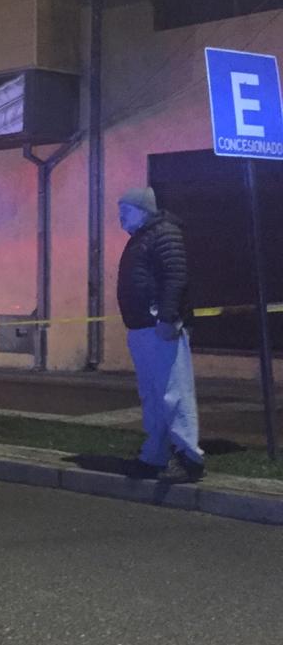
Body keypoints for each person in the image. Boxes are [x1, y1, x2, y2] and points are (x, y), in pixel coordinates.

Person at [116, 186, 205, 482]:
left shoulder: (163, 233)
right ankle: (154, 454)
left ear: (141, 211)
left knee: (173, 394)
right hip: (143, 327)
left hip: (160, 328)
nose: (120, 218)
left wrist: (167, 318)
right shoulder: (144, 236)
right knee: (153, 394)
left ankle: (188, 458)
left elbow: (175, 277)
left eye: (125, 211)